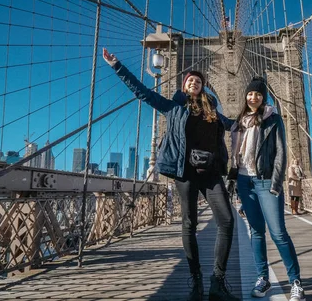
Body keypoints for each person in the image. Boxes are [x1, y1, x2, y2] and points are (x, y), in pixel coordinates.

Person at [102, 48, 240, 301]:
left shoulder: (213, 111)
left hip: (211, 173)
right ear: (185, 86)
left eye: (198, 81)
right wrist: (117, 66)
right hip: (184, 172)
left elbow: (236, 125)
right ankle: (196, 281)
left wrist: (260, 115)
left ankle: (217, 282)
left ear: (203, 87)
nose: (194, 83)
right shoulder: (173, 108)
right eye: (190, 81)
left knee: (227, 221)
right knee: (189, 224)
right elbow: (142, 92)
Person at [219, 77, 305, 301]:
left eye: (258, 94)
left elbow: (281, 153)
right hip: (245, 183)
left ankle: (295, 282)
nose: (253, 97)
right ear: (246, 96)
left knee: (278, 233)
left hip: (266, 181)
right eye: (250, 93)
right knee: (256, 232)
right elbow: (218, 122)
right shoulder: (239, 122)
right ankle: (263, 278)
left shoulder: (273, 119)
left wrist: (277, 183)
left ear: (263, 97)